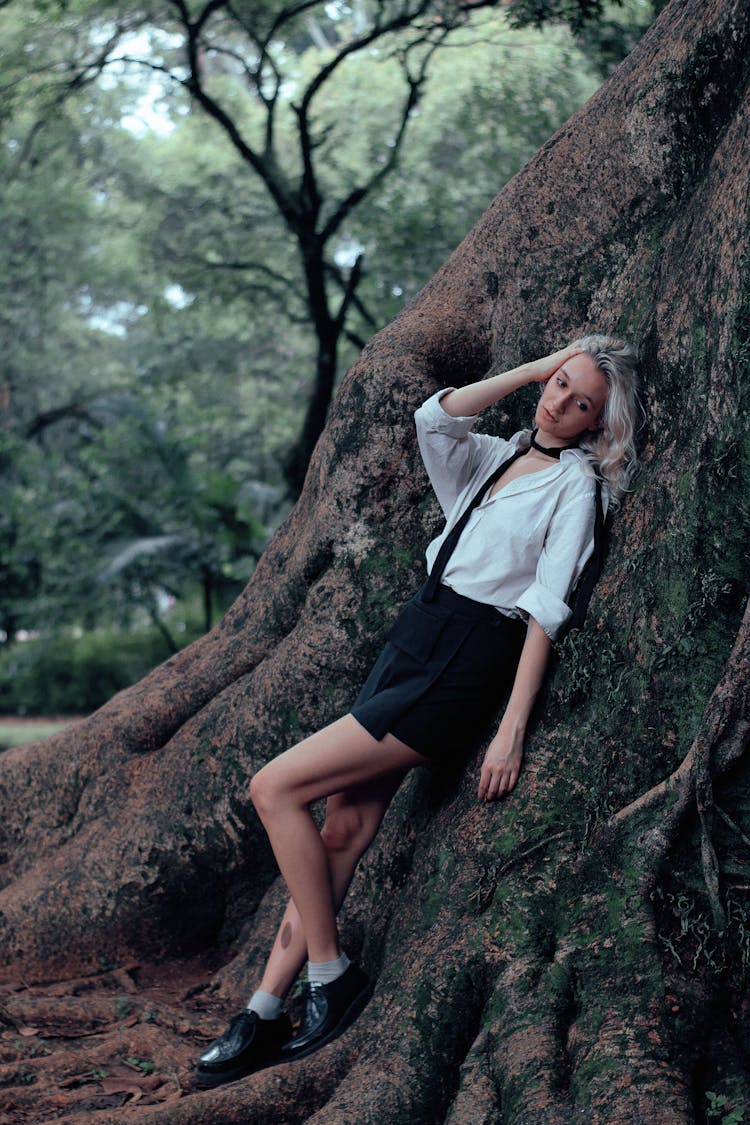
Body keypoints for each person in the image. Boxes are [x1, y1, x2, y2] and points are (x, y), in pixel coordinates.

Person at [195, 335, 641, 1088]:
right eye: (558, 384)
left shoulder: (577, 489)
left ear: (600, 424)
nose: (560, 403)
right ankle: (267, 1005)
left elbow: (544, 612)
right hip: (415, 635)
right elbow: (433, 418)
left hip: (462, 660)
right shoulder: (495, 453)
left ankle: (331, 976)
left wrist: (511, 729)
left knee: (274, 787)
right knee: (344, 826)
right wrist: (533, 368)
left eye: (580, 401)